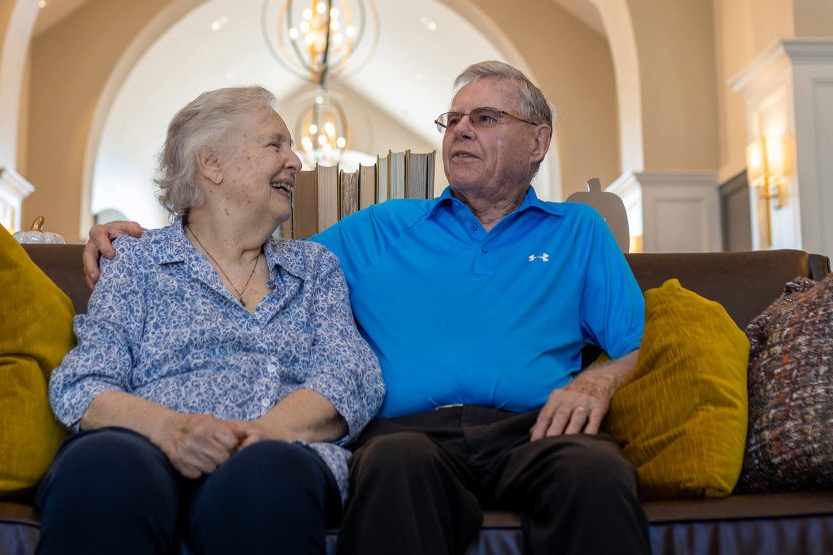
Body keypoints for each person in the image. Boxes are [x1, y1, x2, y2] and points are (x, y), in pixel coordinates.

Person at [85, 62, 651, 555]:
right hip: (412, 435)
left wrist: (596, 385)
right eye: (452, 121)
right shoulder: (383, 227)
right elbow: (238, 246)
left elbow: (635, 344)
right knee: (392, 467)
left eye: (484, 119)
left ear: (538, 141)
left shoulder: (580, 231)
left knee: (597, 472)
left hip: (537, 432)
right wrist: (126, 238)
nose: (460, 132)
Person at [38, 86, 385, 555]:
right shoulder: (137, 262)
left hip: (278, 453)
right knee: (104, 467)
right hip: (149, 447)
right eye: (274, 144)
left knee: (265, 476)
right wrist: (174, 432)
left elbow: (352, 372)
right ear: (211, 163)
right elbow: (83, 384)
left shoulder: (314, 268)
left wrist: (264, 434)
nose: (296, 161)